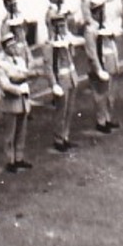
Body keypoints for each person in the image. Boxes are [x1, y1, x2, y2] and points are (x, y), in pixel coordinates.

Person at [0, 33, 34, 172]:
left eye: (14, 45)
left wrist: (25, 80)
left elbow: (25, 75)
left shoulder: (20, 61)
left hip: (23, 99)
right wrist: (19, 86)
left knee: (21, 131)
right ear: (5, 48)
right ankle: (9, 160)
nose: (13, 48)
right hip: (11, 101)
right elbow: (5, 84)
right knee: (10, 134)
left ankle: (19, 157)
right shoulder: (2, 64)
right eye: (10, 46)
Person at [83, 0, 120, 133]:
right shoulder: (90, 30)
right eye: (99, 11)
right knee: (100, 95)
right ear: (94, 12)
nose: (102, 14)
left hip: (110, 63)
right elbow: (92, 52)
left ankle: (108, 118)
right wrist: (98, 69)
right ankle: (101, 121)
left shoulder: (105, 25)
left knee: (110, 93)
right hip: (99, 65)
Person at [46, 11, 81, 151]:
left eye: (63, 25)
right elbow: (49, 66)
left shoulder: (66, 40)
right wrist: (53, 84)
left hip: (71, 76)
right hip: (61, 78)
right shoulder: (50, 44)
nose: (62, 28)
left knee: (69, 109)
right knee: (61, 110)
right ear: (54, 28)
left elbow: (72, 55)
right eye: (59, 26)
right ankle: (58, 138)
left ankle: (65, 135)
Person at [0, 0, 32, 67]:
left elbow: (25, 30)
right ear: (6, 6)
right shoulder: (6, 23)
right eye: (11, 5)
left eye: (15, 4)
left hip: (26, 49)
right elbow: (7, 44)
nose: (14, 7)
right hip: (17, 53)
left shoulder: (20, 17)